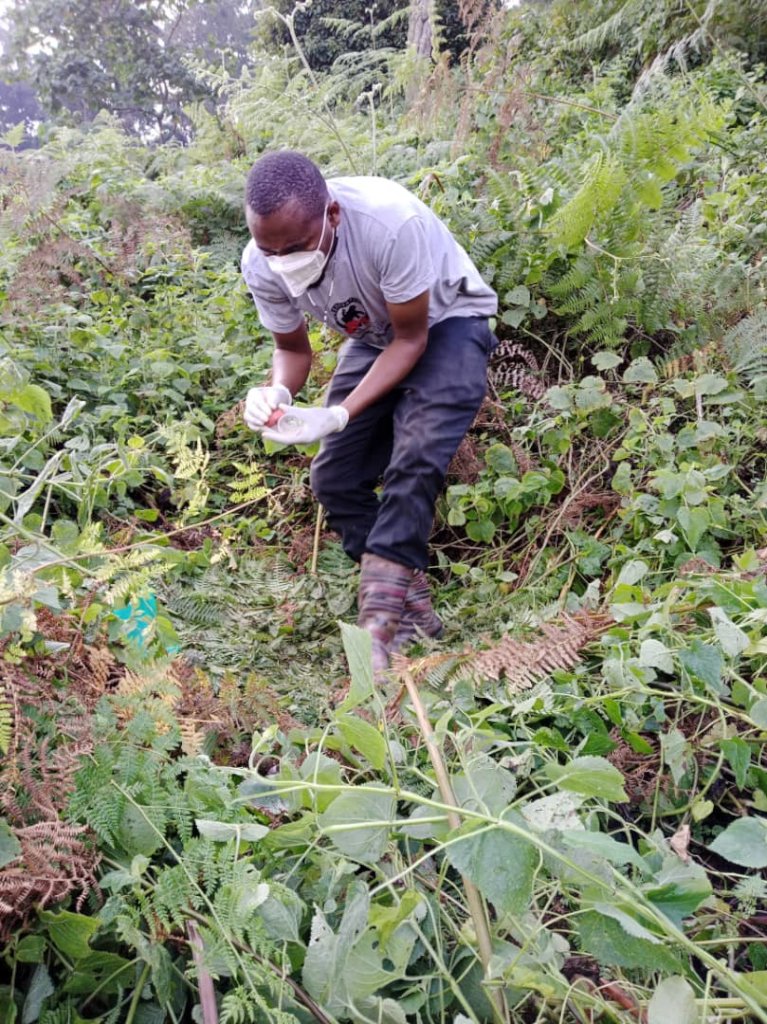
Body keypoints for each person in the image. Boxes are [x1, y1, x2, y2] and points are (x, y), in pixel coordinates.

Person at [241, 150, 497, 674]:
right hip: (375, 334)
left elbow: (411, 339)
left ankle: (381, 621)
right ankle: (409, 592)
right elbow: (292, 351)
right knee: (333, 477)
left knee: (417, 451)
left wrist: (339, 413)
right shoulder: (260, 261)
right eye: (270, 249)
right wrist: (279, 396)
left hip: (447, 319)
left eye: (295, 247)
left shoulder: (387, 223)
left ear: (332, 215)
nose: (283, 261)